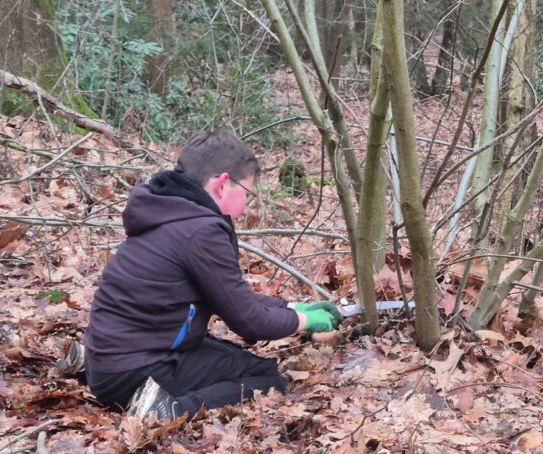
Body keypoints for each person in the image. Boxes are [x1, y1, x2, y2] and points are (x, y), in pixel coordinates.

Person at [62, 130, 341, 421]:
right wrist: (307, 321)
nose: (245, 207)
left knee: (225, 353)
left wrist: (290, 309)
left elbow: (230, 297)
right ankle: (166, 410)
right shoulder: (200, 231)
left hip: (114, 356)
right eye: (246, 193)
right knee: (267, 377)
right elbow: (249, 322)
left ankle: (92, 367)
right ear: (222, 184)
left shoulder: (170, 211)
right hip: (133, 371)